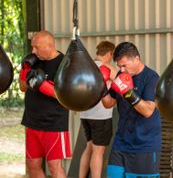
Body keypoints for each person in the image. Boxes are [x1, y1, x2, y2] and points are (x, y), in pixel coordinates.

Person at [101, 42, 162, 177]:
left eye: (124, 65)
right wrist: (101, 87)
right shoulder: (120, 76)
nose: (121, 70)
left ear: (136, 59)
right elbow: (109, 103)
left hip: (144, 145)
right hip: (121, 143)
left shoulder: (151, 78)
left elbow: (148, 111)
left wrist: (128, 93)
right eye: (119, 66)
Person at [19, 30, 71, 178]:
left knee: (54, 166)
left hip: (53, 123)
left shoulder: (64, 63)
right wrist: (24, 73)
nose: (33, 51)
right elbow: (22, 87)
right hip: (32, 121)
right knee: (32, 164)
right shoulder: (34, 60)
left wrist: (45, 86)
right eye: (32, 47)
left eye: (37, 47)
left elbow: (68, 98)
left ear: (49, 45)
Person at [78, 40, 117, 178]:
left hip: (85, 114)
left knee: (89, 148)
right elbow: (122, 84)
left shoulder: (86, 67)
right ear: (109, 54)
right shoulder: (109, 68)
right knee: (98, 152)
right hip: (101, 116)